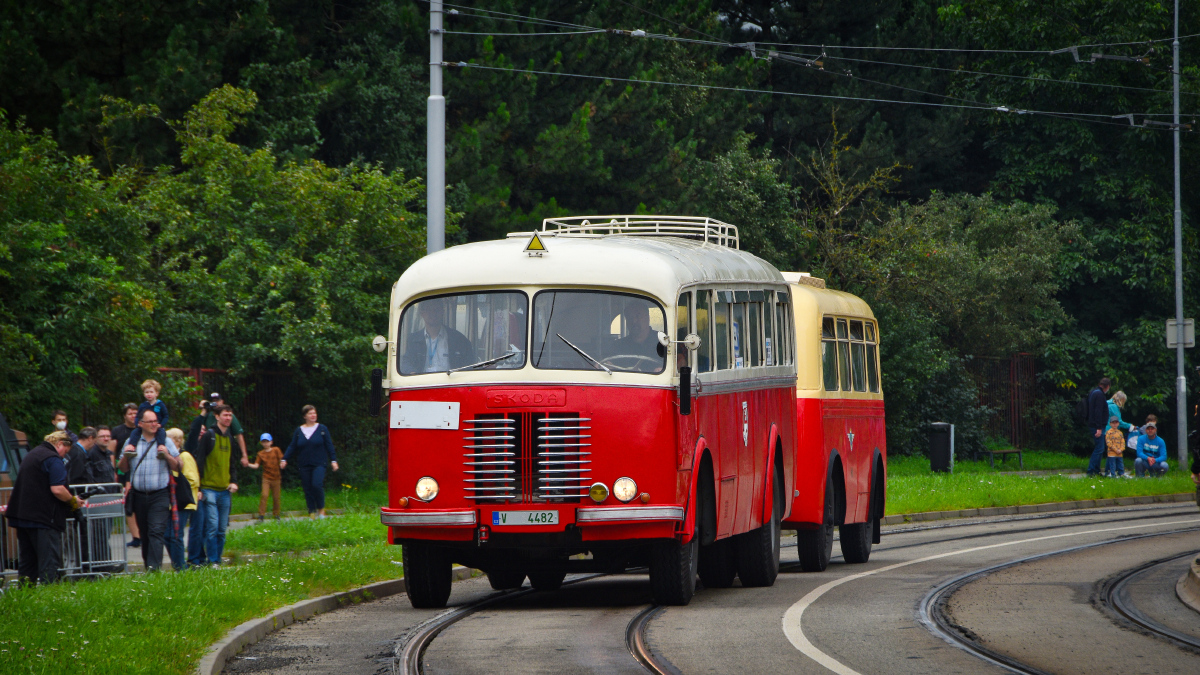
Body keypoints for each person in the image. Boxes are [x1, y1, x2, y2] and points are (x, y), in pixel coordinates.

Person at [4, 431, 80, 584]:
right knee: (49, 563)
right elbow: (57, 489)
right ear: (60, 444)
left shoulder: (33, 454)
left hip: (23, 517)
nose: (65, 456)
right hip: (44, 519)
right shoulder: (52, 459)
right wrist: (73, 501)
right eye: (66, 450)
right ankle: (47, 599)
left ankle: (25, 597)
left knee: (27, 563)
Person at [117, 410, 180, 571]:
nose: (154, 424)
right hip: (139, 495)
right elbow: (122, 468)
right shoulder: (132, 441)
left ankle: (154, 569)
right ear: (140, 423)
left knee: (156, 531)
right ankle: (149, 566)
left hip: (159, 494)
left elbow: (179, 466)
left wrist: (167, 455)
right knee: (145, 534)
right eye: (150, 421)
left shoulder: (165, 441)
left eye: (156, 421)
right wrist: (126, 456)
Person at [194, 405, 240, 565]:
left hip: (225, 490)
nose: (228, 418)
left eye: (230, 415)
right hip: (209, 489)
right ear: (217, 416)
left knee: (221, 530)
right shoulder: (209, 435)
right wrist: (198, 488)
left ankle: (217, 560)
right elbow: (199, 461)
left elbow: (232, 462)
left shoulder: (230, 438)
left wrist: (234, 481)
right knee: (212, 527)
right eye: (225, 415)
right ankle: (212, 560)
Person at [282, 405, 338, 517]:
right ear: (304, 416)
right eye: (310, 413)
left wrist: (333, 460)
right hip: (304, 464)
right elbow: (292, 446)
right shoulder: (299, 431)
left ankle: (321, 509)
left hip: (319, 463)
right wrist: (284, 459)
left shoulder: (322, 429)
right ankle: (311, 512)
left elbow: (329, 445)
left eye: (315, 413)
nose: (313, 415)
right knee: (307, 487)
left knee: (316, 484)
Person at [401, 298, 476, 373]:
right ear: (422, 313)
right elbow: (406, 363)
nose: (433, 313)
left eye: (436, 309)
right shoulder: (413, 340)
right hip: (422, 383)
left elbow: (469, 365)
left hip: (450, 383)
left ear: (442, 312)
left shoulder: (459, 339)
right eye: (428, 310)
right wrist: (412, 373)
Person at [164, 427, 199, 571]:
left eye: (169, 439)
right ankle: (178, 564)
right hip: (172, 503)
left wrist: (175, 481)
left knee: (175, 535)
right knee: (167, 535)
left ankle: (181, 567)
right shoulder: (170, 458)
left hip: (183, 502)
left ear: (177, 441)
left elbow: (193, 480)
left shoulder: (184, 456)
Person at [110, 402, 142, 548]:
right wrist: (114, 471)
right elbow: (112, 451)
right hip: (123, 470)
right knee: (128, 504)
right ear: (124, 416)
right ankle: (136, 536)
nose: (133, 416)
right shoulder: (117, 431)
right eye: (130, 413)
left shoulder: (142, 429)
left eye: (136, 413)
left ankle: (143, 533)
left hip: (139, 470)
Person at [203, 393, 249, 467]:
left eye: (217, 401)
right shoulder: (208, 416)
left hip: (225, 449)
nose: (216, 403)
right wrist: (203, 409)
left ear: (222, 401)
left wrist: (244, 455)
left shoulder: (229, 416)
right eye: (213, 401)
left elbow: (239, 435)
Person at [126, 379, 170, 454]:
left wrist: (161, 424)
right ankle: (132, 446)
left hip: (157, 426)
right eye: (147, 392)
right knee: (135, 432)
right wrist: (137, 424)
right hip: (144, 427)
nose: (149, 394)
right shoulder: (143, 405)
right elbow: (138, 416)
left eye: (151, 392)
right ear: (144, 394)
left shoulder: (160, 405)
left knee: (162, 433)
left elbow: (166, 416)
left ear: (157, 393)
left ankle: (161, 446)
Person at [248, 433, 283, 520]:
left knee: (276, 497)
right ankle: (261, 515)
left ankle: (276, 514)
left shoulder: (276, 450)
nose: (265, 443)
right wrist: (248, 464)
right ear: (261, 443)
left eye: (267, 441)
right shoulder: (260, 454)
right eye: (263, 442)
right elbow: (256, 465)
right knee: (264, 495)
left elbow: (282, 459)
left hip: (276, 477)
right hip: (266, 478)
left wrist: (282, 463)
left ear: (271, 442)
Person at [1085, 377, 1112, 477]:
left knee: (1100, 448)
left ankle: (1096, 470)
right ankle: (1091, 471)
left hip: (1093, 424)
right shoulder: (1100, 395)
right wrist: (1099, 428)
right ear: (1107, 386)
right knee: (1099, 448)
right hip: (1097, 426)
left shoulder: (1093, 392)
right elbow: (1098, 411)